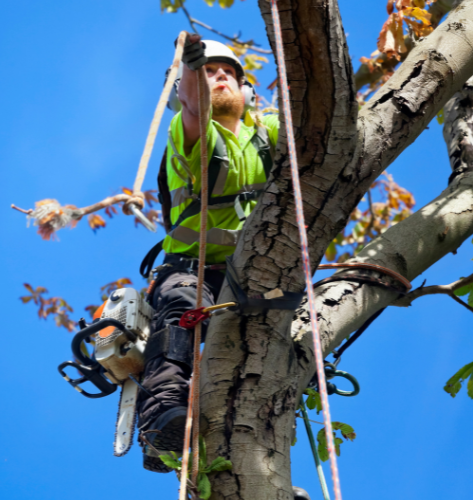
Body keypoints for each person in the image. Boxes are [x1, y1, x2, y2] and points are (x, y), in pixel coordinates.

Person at [137, 35, 282, 473]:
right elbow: (195, 104)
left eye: (230, 73)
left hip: (257, 272)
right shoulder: (187, 130)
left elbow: (315, 129)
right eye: (210, 72)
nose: (219, 77)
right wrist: (192, 66)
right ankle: (163, 416)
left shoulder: (267, 132)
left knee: (269, 345)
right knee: (183, 310)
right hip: (192, 268)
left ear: (248, 93)